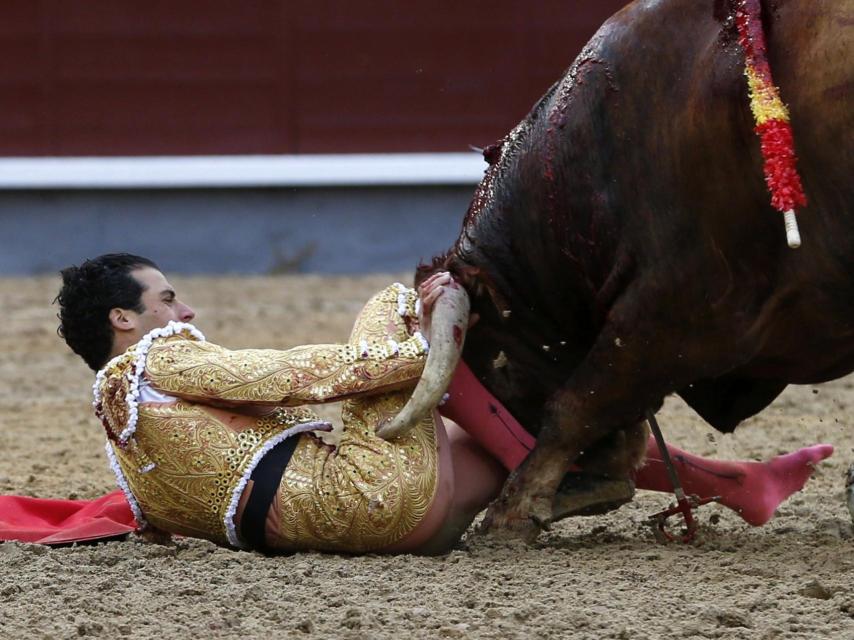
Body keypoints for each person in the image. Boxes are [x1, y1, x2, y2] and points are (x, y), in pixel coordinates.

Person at [43, 253, 831, 554]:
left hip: (390, 525)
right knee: (399, 303)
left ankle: (732, 482)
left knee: (490, 437)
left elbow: (214, 487)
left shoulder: (125, 447)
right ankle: (462, 356)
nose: (181, 312)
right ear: (125, 319)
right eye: (167, 298)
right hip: (373, 492)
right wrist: (423, 344)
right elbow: (287, 375)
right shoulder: (154, 359)